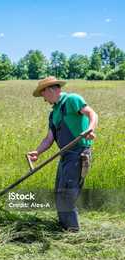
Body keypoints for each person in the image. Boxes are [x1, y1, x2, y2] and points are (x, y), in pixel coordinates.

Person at [28, 76, 98, 232]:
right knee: (59, 191)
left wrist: (90, 129)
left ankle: (72, 231)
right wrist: (37, 152)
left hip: (79, 152)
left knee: (67, 192)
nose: (43, 99)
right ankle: (63, 226)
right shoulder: (53, 114)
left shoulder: (72, 99)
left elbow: (92, 114)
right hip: (66, 155)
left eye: (43, 94)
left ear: (50, 89)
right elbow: (49, 138)